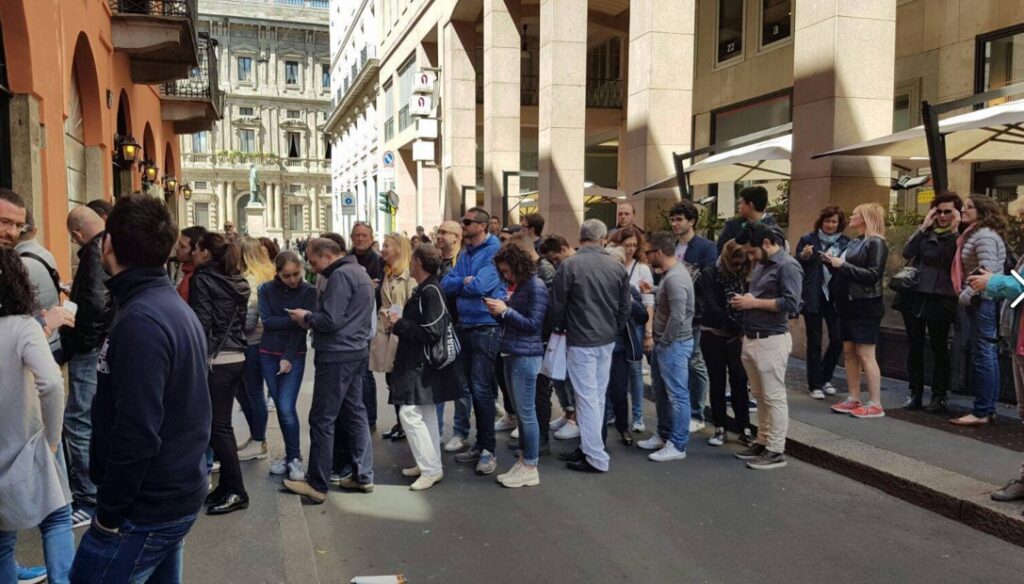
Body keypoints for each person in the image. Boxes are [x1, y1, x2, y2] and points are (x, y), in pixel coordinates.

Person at [69, 194, 211, 582]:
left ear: (108, 244)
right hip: (170, 495)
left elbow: (137, 432)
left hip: (146, 508)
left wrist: (108, 515)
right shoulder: (161, 306)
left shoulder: (142, 319)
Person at [0, 248, 74, 584]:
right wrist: (52, 437)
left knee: (2, 536)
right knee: (57, 517)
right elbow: (52, 384)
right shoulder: (23, 327)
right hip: (30, 438)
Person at [282, 238, 375, 502]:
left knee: (322, 418)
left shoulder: (340, 276)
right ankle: (363, 475)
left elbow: (331, 320)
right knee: (355, 412)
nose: (312, 268)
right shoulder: (358, 272)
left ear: (327, 256)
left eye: (313, 262)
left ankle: (317, 484)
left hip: (337, 354)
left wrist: (306, 317)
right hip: (355, 350)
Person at [549, 219, 630, 473]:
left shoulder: (569, 265)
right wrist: (614, 329)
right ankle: (591, 449)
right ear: (603, 239)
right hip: (605, 338)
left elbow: (557, 306)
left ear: (580, 237)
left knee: (586, 398)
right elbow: (624, 307)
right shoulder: (616, 267)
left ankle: (595, 455)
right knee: (595, 397)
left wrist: (560, 327)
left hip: (580, 338)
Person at [389, 244, 461, 490]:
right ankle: (429, 464)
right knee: (425, 412)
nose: (409, 263)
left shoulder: (429, 290)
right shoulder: (430, 288)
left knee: (409, 414)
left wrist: (399, 325)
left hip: (420, 363)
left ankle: (430, 468)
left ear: (418, 262)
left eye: (412, 260)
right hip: (422, 362)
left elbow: (432, 331)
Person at [731, 222, 803, 470]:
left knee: (773, 397)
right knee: (760, 396)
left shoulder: (788, 265)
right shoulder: (762, 264)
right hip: (754, 337)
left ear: (766, 243)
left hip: (772, 338)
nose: (750, 257)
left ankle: (775, 449)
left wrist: (753, 303)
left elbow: (792, 304)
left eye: (752, 252)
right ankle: (763, 441)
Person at [189, 232, 251, 515]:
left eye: (196, 248)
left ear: (204, 252)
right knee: (220, 425)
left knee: (218, 428)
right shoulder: (236, 279)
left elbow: (202, 322)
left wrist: (195, 358)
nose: (193, 253)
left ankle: (237, 491)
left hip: (216, 358)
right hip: (235, 355)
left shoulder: (202, 279)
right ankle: (227, 486)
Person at [443, 207, 506, 475]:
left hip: (485, 326)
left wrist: (464, 283)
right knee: (471, 386)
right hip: (466, 324)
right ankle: (480, 444)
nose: (463, 225)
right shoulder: (467, 252)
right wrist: (464, 282)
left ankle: (489, 449)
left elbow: (480, 286)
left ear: (482, 226)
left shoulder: (494, 251)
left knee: (481, 389)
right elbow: (446, 283)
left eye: (467, 222)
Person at [62, 205, 112, 528]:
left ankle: (88, 498)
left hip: (91, 348)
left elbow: (95, 304)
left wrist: (83, 344)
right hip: (103, 345)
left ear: (78, 233)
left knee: (78, 421)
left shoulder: (94, 253)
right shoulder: (109, 246)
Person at [485, 243, 549, 487]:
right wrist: (501, 312)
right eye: (502, 271)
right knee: (524, 414)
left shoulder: (535, 286)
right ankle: (525, 462)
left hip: (525, 355)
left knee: (526, 414)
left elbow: (533, 324)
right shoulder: (524, 285)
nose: (505, 275)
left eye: (506, 270)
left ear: (517, 265)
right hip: (515, 352)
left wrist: (505, 311)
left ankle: (530, 465)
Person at [634, 232, 696, 462]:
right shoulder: (671, 275)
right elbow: (672, 301)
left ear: (659, 252)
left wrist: (665, 341)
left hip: (674, 344)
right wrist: (653, 290)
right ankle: (664, 434)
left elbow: (678, 316)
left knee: (677, 395)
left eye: (649, 252)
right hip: (669, 343)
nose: (647, 256)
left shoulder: (675, 277)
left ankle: (677, 444)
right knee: (662, 393)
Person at [897, 193, 961, 412]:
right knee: (915, 345)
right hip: (915, 294)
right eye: (938, 212)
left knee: (939, 347)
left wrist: (954, 231)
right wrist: (923, 226)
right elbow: (907, 252)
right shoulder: (925, 232)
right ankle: (914, 393)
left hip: (941, 297)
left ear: (956, 214)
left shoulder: (959, 236)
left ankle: (939, 395)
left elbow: (955, 260)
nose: (942, 216)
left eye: (947, 212)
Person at [824, 203, 889, 419]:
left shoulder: (876, 242)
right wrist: (831, 263)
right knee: (850, 352)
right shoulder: (855, 242)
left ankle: (875, 403)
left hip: (866, 304)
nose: (851, 217)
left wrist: (841, 265)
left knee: (865, 353)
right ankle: (854, 397)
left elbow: (873, 275)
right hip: (847, 303)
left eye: (855, 214)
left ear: (865, 218)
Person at [949, 195, 1008, 426]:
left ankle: (982, 410)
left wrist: (965, 295)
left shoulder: (983, 236)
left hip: (981, 300)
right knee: (985, 352)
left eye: (969, 207)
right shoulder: (975, 234)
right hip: (981, 300)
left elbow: (987, 271)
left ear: (982, 211)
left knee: (983, 353)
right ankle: (986, 408)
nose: (963, 209)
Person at [258, 251, 316, 481]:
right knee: (281, 408)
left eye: (296, 274)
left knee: (285, 406)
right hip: (267, 353)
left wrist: (288, 357)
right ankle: (290, 455)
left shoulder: (308, 291)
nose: (293, 279)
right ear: (278, 273)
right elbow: (267, 321)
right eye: (287, 275)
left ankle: (294, 456)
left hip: (294, 354)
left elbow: (302, 329)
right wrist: (295, 319)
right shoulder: (266, 289)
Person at [696, 240, 753, 446]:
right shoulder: (710, 274)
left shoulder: (744, 274)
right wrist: (736, 327)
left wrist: (742, 328)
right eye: (735, 263)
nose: (738, 266)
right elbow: (711, 306)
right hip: (714, 332)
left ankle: (744, 426)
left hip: (737, 335)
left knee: (740, 380)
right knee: (717, 381)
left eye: (742, 263)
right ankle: (720, 426)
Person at [668, 200, 715, 433]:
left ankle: (697, 413)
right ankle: (680, 411)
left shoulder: (705, 247)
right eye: (672, 220)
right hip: (669, 311)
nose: (675, 224)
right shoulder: (671, 246)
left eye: (679, 220)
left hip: (694, 313)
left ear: (692, 221)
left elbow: (708, 278)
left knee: (695, 361)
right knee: (676, 362)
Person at [796, 206, 851, 399]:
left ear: (839, 224)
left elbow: (847, 267)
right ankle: (815, 385)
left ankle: (826, 377)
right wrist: (804, 255)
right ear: (821, 222)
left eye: (834, 221)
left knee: (837, 339)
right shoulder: (808, 239)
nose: (830, 225)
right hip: (813, 295)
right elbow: (797, 263)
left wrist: (836, 263)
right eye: (827, 221)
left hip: (835, 296)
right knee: (815, 341)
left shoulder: (845, 242)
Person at [371, 233, 416, 441]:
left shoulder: (409, 274)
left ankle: (407, 425)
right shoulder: (387, 272)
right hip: (388, 332)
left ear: (399, 249)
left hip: (403, 335)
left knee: (401, 381)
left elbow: (412, 306)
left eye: (387, 246)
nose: (383, 249)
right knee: (391, 379)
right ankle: (400, 423)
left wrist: (398, 319)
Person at [602, 245, 648, 448]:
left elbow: (643, 316)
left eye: (619, 265)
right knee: (600, 393)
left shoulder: (628, 289)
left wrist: (630, 302)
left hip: (619, 347)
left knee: (619, 391)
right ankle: (599, 436)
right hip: (599, 345)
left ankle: (623, 427)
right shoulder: (598, 286)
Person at [609, 226, 654, 432]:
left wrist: (648, 333)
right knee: (614, 371)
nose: (631, 249)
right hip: (616, 326)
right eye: (627, 245)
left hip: (635, 324)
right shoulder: (613, 262)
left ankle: (637, 416)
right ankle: (612, 412)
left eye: (635, 245)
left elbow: (648, 302)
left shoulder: (642, 268)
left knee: (635, 370)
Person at [434, 220, 474, 452]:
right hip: (438, 329)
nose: (439, 236)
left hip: (459, 328)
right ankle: (436, 430)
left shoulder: (465, 260)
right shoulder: (437, 261)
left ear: (457, 237)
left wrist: (456, 284)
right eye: (438, 232)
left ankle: (460, 431)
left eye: (444, 232)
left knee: (461, 383)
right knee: (436, 381)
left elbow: (462, 288)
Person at [236, 237, 276, 461]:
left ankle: (259, 439)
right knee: (247, 391)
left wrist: (234, 327)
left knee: (253, 391)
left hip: (252, 341)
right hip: (254, 340)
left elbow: (250, 317)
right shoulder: (261, 274)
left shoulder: (251, 279)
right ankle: (256, 436)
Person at [537, 233, 579, 438]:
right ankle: (568, 412)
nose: (554, 264)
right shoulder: (564, 266)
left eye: (555, 259)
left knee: (570, 377)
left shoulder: (574, 266)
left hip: (573, 328)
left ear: (563, 249)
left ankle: (575, 418)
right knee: (559, 375)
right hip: (560, 328)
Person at [16, 209, 64, 357]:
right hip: (54, 339)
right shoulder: (45, 253)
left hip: (36, 345)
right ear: (34, 230)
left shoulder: (19, 265)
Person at [351, 221, 384, 430]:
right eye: (357, 235)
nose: (361, 239)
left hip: (371, 323)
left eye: (364, 235)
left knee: (365, 373)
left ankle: (370, 419)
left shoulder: (379, 262)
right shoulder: (347, 259)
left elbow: (382, 291)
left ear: (371, 238)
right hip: (351, 323)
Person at [716, 185, 781, 252]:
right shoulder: (731, 225)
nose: (738, 206)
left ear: (750, 205)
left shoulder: (774, 230)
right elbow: (720, 251)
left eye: (741, 203)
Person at [174, 226, 209, 303]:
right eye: (178, 243)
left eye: (182, 246)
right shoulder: (193, 273)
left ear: (195, 251)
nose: (176, 247)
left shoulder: (192, 280)